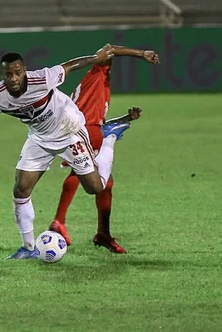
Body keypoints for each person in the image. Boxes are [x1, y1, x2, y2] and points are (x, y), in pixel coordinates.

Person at [0, 47, 130, 259]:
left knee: (95, 187)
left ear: (24, 71)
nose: (14, 78)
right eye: (8, 74)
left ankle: (110, 137)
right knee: (21, 189)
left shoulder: (41, 79)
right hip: (40, 138)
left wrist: (96, 58)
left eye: (18, 73)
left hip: (70, 131)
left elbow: (70, 66)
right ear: (1, 75)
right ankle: (28, 247)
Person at [49, 45, 160, 253]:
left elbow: (102, 123)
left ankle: (100, 233)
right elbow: (109, 49)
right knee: (93, 177)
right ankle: (61, 222)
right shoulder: (98, 74)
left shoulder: (96, 91)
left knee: (104, 183)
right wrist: (142, 54)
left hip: (84, 130)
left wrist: (127, 118)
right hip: (86, 130)